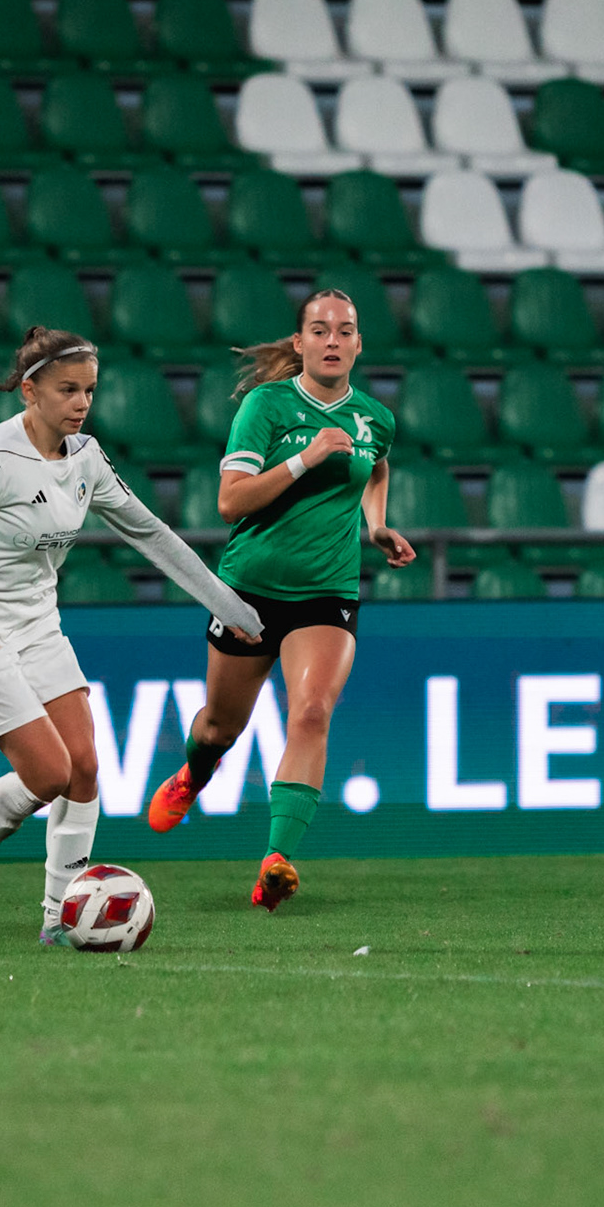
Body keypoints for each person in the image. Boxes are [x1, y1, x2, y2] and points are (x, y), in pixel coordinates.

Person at [0, 327, 264, 944]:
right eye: (68, 389)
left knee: (86, 765)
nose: (82, 402)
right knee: (49, 773)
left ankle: (59, 921)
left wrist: (227, 605)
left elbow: (150, 533)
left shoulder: (86, 458)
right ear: (30, 390)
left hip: (37, 622)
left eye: (89, 390)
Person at [143, 289, 414, 911]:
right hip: (248, 593)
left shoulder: (375, 417)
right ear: (299, 343)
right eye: (319, 330)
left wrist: (375, 526)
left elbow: (375, 468)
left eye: (345, 331)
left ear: (359, 344)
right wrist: (308, 458)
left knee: (313, 711)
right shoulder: (265, 407)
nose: (332, 341)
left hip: (328, 590)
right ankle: (194, 773)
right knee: (219, 726)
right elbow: (230, 502)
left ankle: (276, 862)